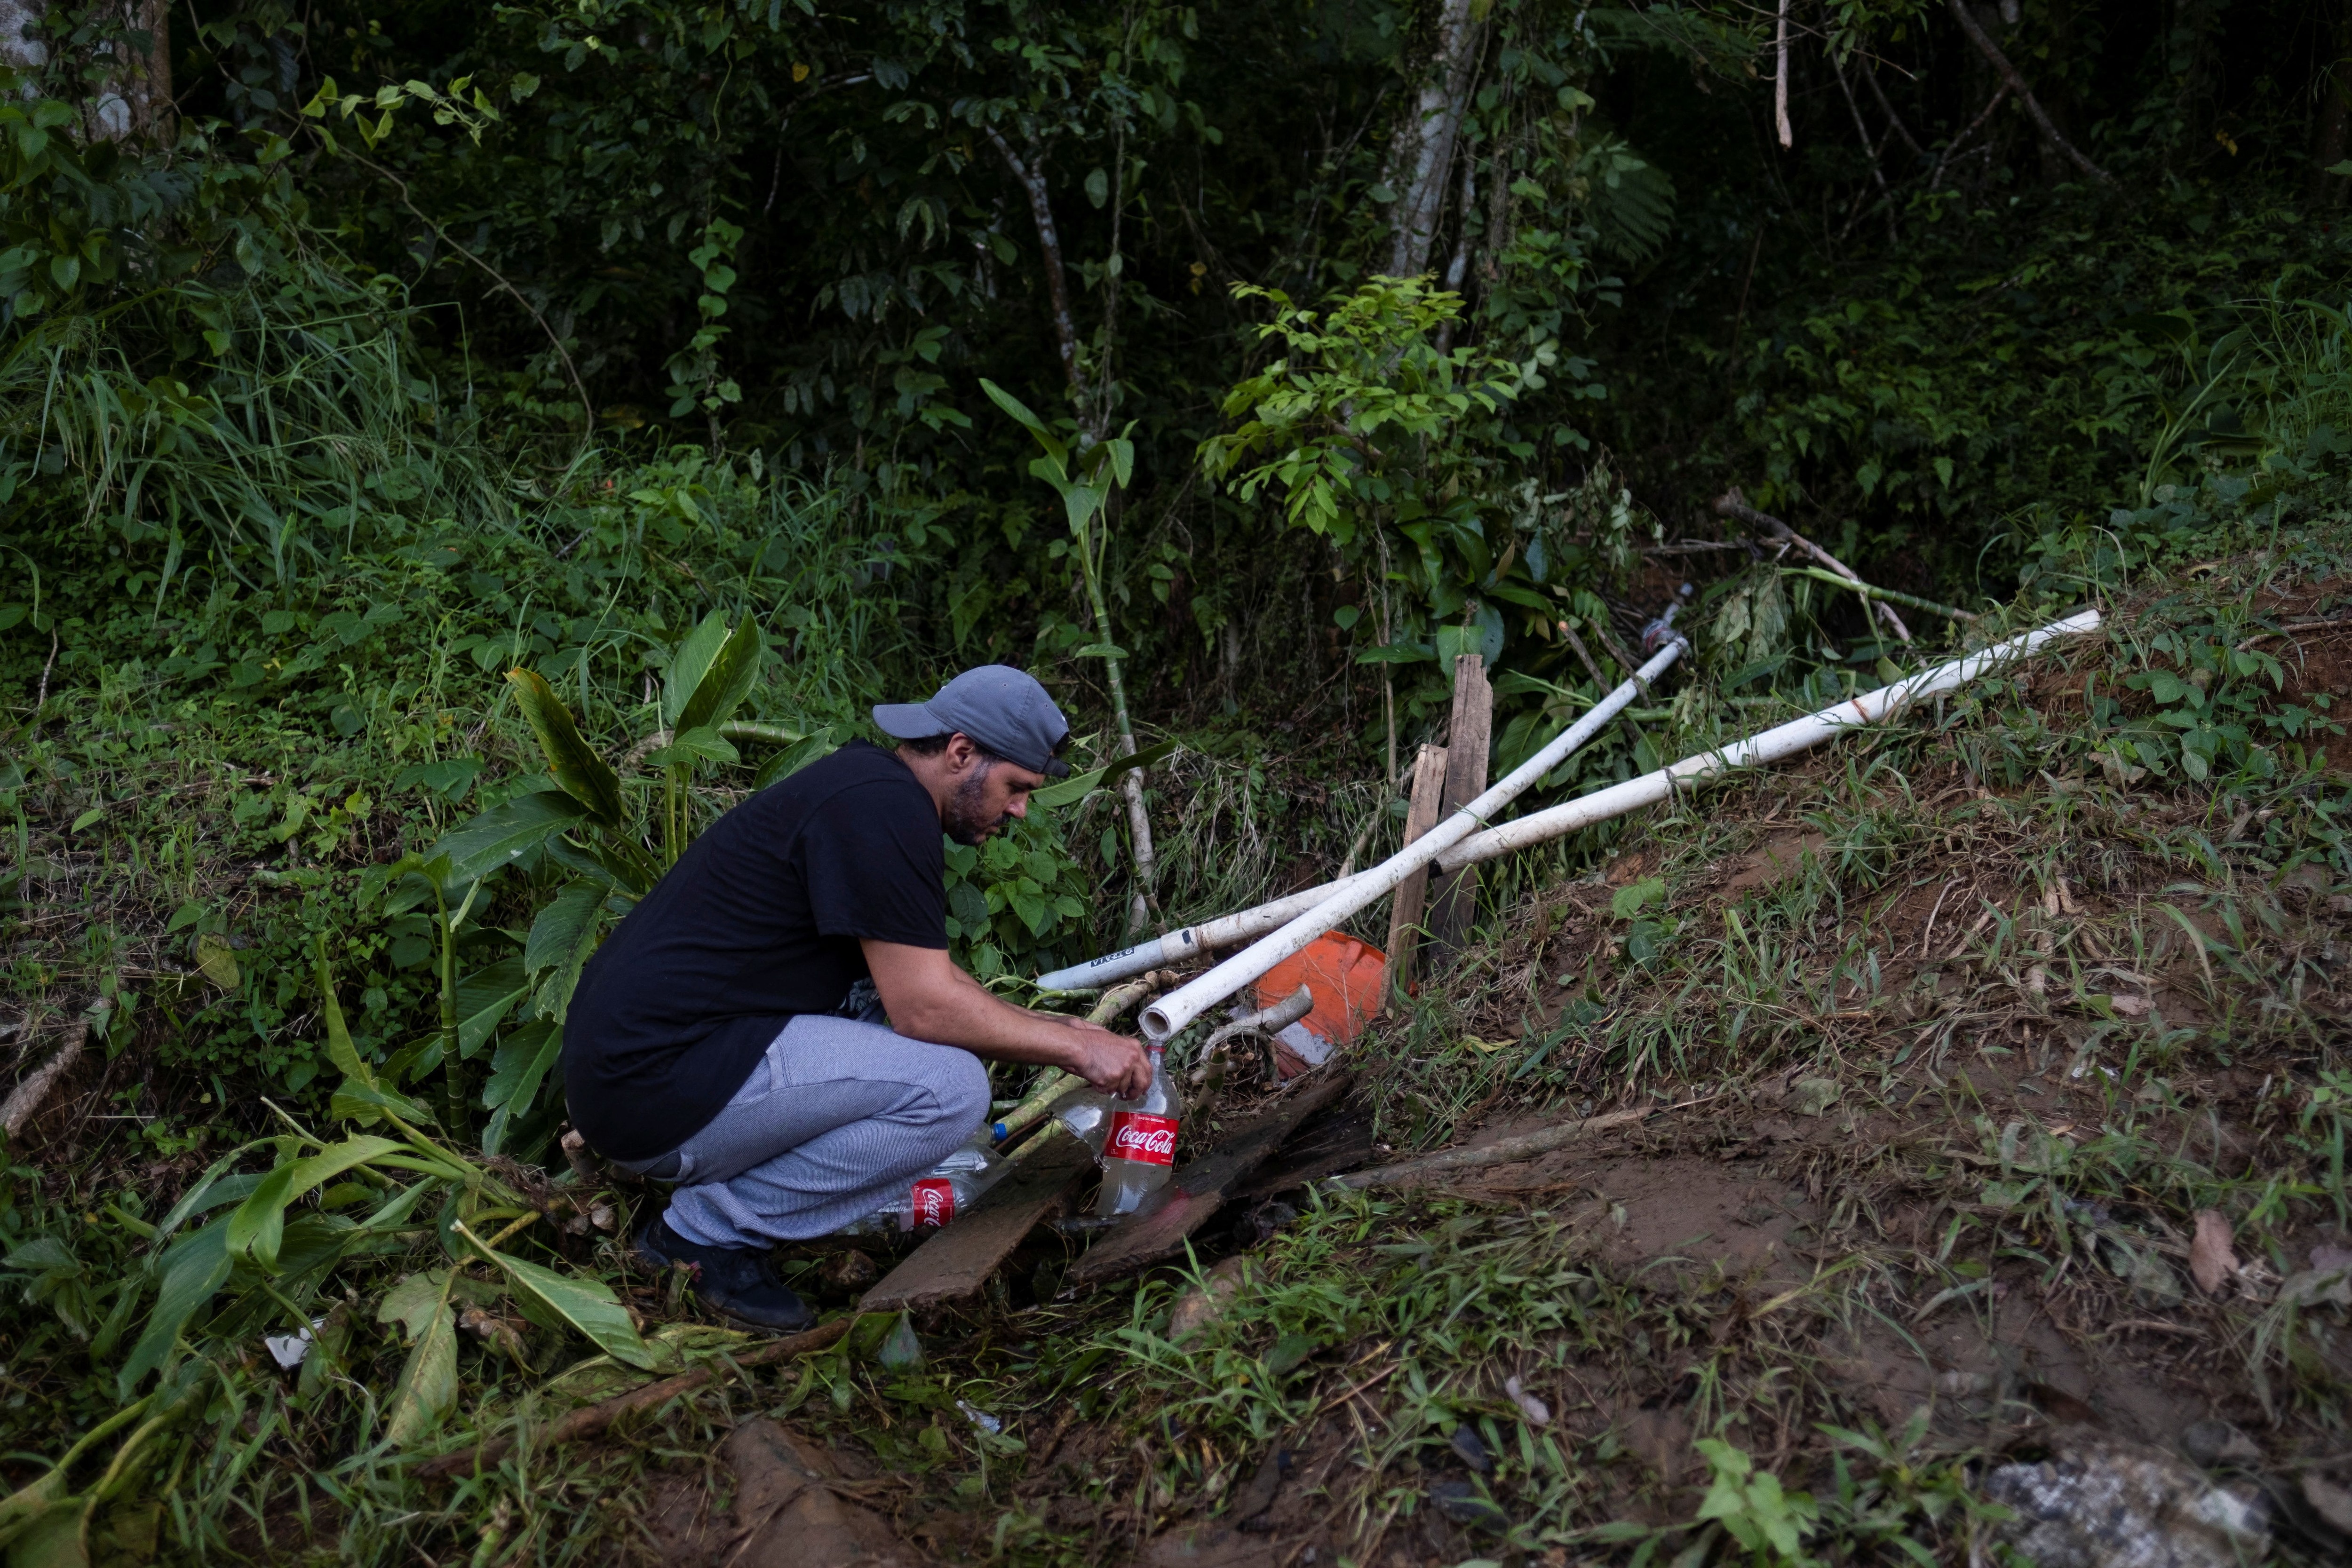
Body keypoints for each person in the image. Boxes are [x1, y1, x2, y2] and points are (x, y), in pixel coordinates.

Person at [562, 665, 1151, 1330]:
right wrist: (1078, 1048)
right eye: (1016, 787)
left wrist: (1061, 1025)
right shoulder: (884, 809)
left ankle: (716, 1204)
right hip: (651, 1083)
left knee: (911, 1037)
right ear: (961, 752)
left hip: (645, 1072)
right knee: (950, 1090)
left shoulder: (871, 791)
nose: (1019, 809)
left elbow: (934, 976)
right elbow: (924, 1008)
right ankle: (701, 1236)